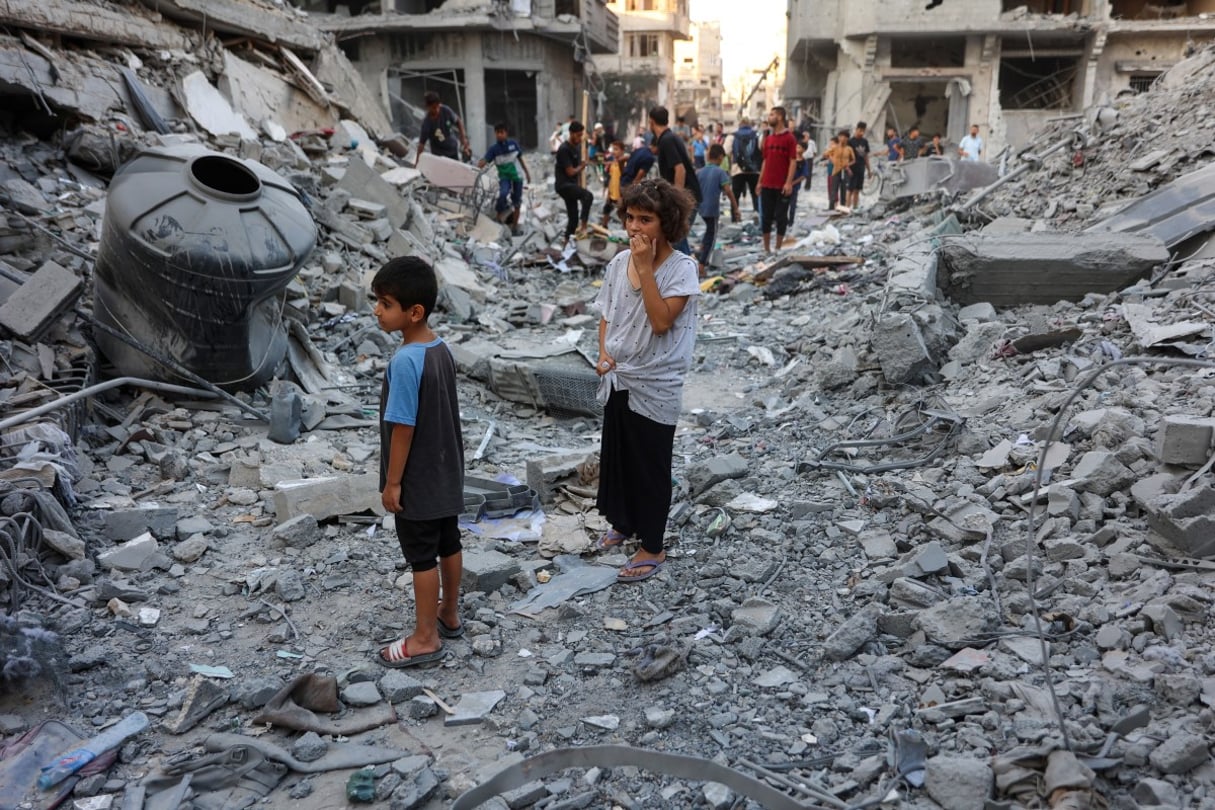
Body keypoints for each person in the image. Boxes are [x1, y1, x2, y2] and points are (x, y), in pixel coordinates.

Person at [593, 178, 699, 584]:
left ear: (666, 223)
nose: (635, 228)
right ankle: (624, 521)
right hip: (620, 374)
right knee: (619, 455)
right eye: (631, 218)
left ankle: (652, 544)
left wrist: (644, 268)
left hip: (656, 382)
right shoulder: (618, 264)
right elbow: (607, 313)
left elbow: (659, 321)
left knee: (650, 462)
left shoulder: (682, 270)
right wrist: (604, 352)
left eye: (646, 219)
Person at [371, 256, 465, 668]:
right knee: (449, 541)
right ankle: (449, 613)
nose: (377, 310)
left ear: (414, 313)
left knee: (421, 555)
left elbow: (403, 427)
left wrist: (393, 483)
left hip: (418, 479)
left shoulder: (405, 361)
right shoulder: (439, 348)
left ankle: (425, 637)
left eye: (385, 303)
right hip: (446, 472)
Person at [649, 106, 702, 254]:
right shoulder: (670, 138)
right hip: (689, 195)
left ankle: (688, 273)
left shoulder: (667, 140)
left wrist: (677, 199)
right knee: (675, 238)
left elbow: (680, 170)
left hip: (686, 197)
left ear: (651, 122)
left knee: (676, 238)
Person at [478, 122, 531, 236]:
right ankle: (498, 217)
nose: (500, 135)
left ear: (506, 133)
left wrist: (527, 173)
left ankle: (515, 226)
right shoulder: (494, 149)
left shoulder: (513, 144)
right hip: (504, 177)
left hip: (517, 177)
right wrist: (475, 167)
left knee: (517, 202)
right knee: (502, 194)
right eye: (497, 133)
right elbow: (484, 161)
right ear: (495, 134)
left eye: (502, 132)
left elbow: (521, 159)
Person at [695, 143, 739, 277]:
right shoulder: (720, 172)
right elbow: (728, 191)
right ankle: (702, 265)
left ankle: (701, 251)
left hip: (700, 209)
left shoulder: (699, 171)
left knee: (707, 233)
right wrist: (735, 208)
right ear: (720, 157)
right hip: (712, 209)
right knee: (712, 236)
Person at [757, 105, 797, 253]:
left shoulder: (790, 139)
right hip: (767, 184)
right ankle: (767, 249)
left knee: (781, 217)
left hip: (781, 185)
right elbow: (765, 161)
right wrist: (760, 182)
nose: (769, 117)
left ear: (780, 117)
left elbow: (793, 161)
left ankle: (778, 247)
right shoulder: (768, 139)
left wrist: (788, 182)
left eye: (772, 114)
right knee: (765, 217)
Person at [555, 121, 594, 241]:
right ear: (571, 133)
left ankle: (566, 242)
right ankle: (583, 228)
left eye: (581, 135)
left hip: (571, 185)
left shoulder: (577, 148)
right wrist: (582, 166)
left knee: (573, 218)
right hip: (564, 185)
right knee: (588, 196)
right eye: (578, 135)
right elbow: (571, 172)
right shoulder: (564, 149)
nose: (579, 138)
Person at [415, 91, 470, 165]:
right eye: (434, 108)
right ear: (428, 107)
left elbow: (458, 121)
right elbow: (421, 145)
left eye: (438, 106)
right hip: (440, 156)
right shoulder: (427, 123)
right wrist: (417, 162)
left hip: (453, 150)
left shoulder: (446, 110)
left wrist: (463, 138)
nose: (437, 110)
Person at [730, 116, 761, 216]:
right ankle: (757, 213)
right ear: (750, 124)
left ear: (740, 124)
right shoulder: (756, 136)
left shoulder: (733, 136)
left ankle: (735, 217)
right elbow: (761, 150)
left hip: (737, 170)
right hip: (754, 170)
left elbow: (725, 150)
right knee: (755, 193)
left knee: (735, 194)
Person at [824, 130, 854, 211]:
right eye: (840, 136)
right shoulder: (835, 147)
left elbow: (853, 160)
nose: (842, 138)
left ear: (847, 138)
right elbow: (825, 154)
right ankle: (831, 209)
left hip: (844, 171)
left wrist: (848, 165)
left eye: (844, 137)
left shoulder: (849, 149)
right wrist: (832, 159)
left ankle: (842, 210)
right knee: (833, 191)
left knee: (843, 191)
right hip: (836, 171)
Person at [846, 121, 872, 210]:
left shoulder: (865, 142)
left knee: (857, 189)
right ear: (856, 129)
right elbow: (846, 156)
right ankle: (847, 208)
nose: (862, 133)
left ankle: (855, 207)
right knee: (850, 189)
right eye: (860, 130)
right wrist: (847, 168)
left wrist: (869, 170)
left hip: (861, 168)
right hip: (852, 168)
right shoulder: (850, 141)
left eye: (863, 131)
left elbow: (866, 156)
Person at [600, 140, 625, 227]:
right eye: (613, 149)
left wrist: (622, 195)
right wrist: (608, 193)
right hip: (612, 193)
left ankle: (626, 231)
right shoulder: (613, 163)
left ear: (622, 151)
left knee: (622, 213)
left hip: (620, 194)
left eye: (616, 149)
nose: (614, 151)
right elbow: (611, 179)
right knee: (606, 209)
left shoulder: (624, 163)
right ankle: (604, 226)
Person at [786, 142, 810, 228]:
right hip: (785, 185)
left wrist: (792, 183)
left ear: (804, 150)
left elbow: (803, 175)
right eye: (796, 147)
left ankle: (791, 222)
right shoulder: (790, 158)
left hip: (795, 187)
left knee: (792, 206)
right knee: (784, 205)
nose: (797, 149)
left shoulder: (803, 162)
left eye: (799, 147)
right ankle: (784, 220)